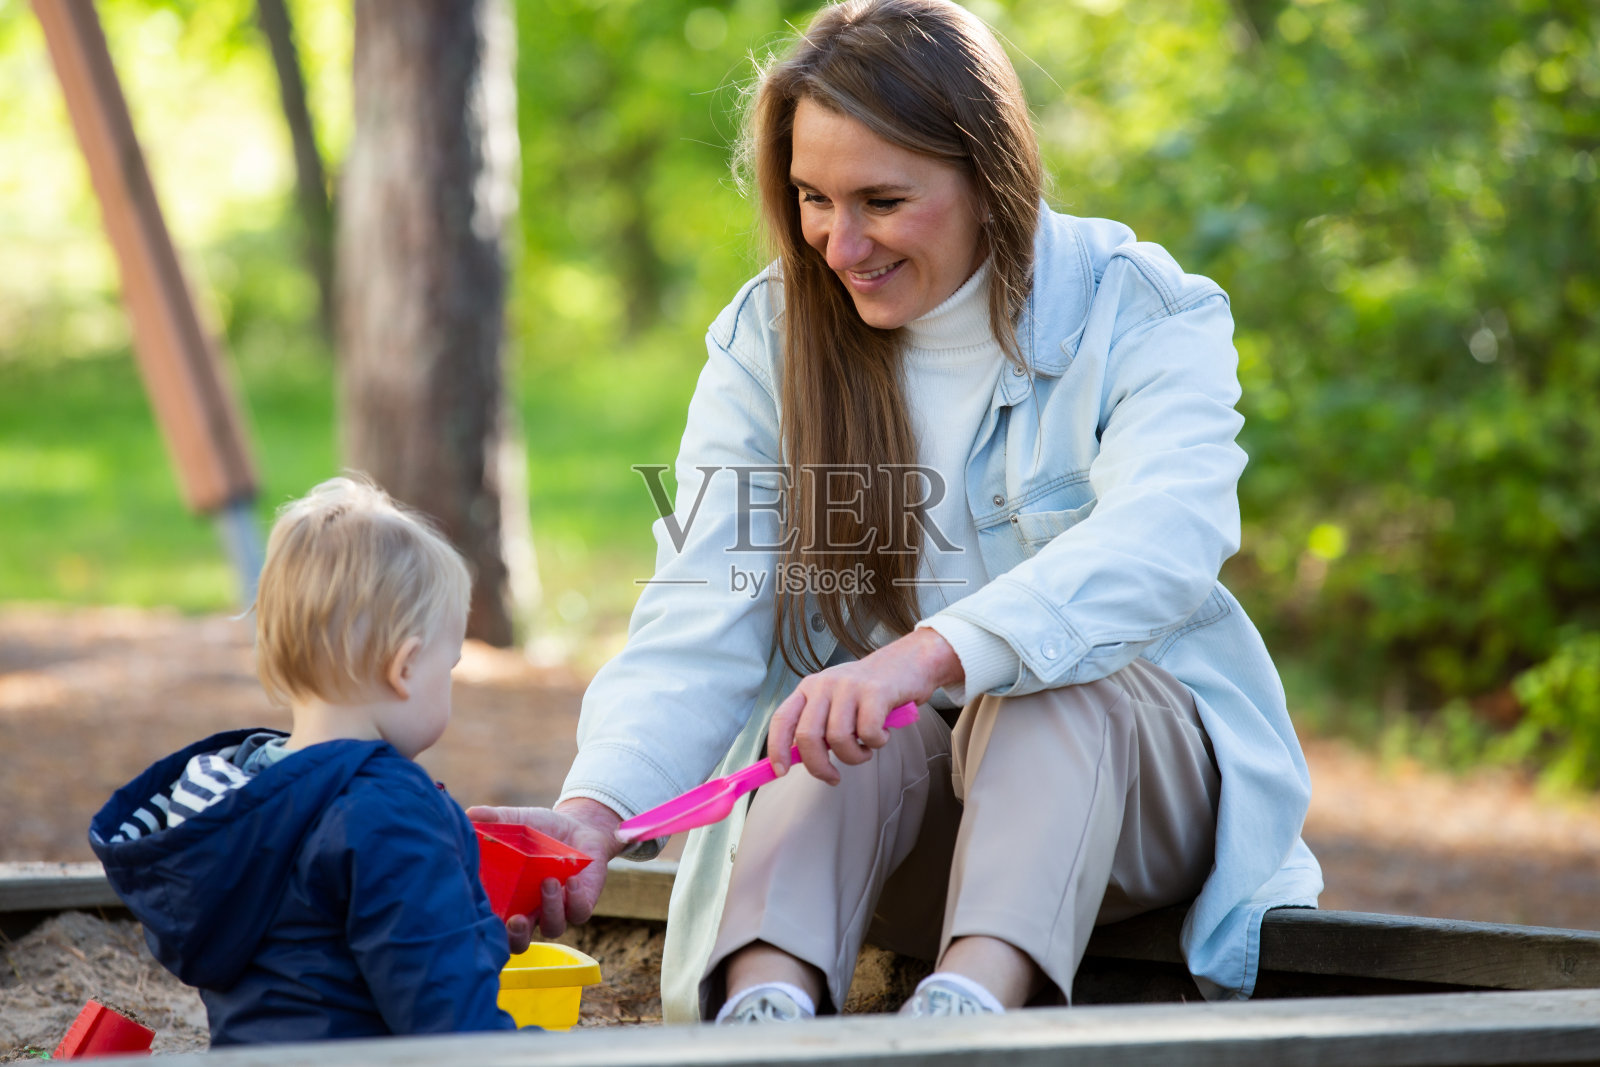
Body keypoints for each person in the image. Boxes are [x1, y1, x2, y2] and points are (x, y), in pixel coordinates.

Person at [470, 0, 1322, 1023]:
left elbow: (1162, 540)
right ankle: (766, 1008)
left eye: (880, 200)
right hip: (910, 830)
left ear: (987, 175)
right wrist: (589, 812)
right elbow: (706, 605)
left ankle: (970, 1007)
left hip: (1131, 803)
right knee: (834, 717)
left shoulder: (1135, 307)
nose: (838, 242)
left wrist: (922, 653)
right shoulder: (771, 338)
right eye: (811, 199)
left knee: (1043, 677)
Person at [90, 476, 520, 1044]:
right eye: (451, 667)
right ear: (406, 668)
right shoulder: (389, 810)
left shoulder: (242, 799)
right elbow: (453, 1024)